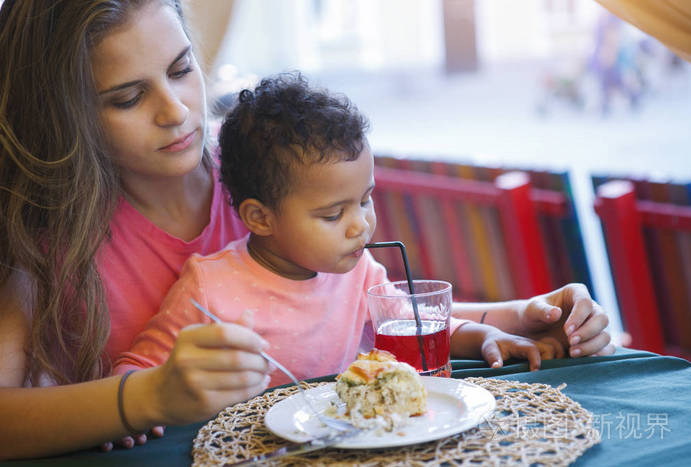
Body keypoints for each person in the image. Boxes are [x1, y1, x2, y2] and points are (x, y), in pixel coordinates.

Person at [0, 0, 612, 460]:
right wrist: (145, 399)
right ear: (67, 113)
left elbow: (348, 305)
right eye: (128, 98)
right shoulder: (42, 238)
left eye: (182, 68)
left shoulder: (270, 169)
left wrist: (519, 314)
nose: (176, 109)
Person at [114, 73, 561, 385]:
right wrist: (141, 409)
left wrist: (486, 336)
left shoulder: (359, 270)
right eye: (333, 214)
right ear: (260, 218)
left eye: (365, 200)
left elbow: (413, 324)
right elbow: (136, 372)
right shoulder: (207, 287)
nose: (360, 225)